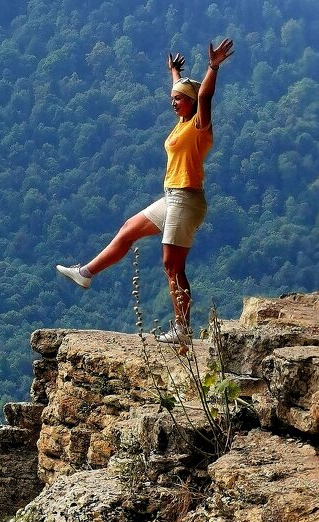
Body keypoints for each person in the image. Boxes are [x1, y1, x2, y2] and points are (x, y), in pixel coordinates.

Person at [56, 38, 234, 344]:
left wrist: (213, 66)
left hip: (187, 199)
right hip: (172, 197)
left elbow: (203, 96)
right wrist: (175, 73)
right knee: (127, 230)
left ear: (190, 103)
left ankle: (182, 328)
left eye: (178, 100)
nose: (173, 102)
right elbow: (187, 90)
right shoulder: (181, 123)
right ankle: (85, 274)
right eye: (172, 98)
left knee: (171, 264)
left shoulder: (199, 126)